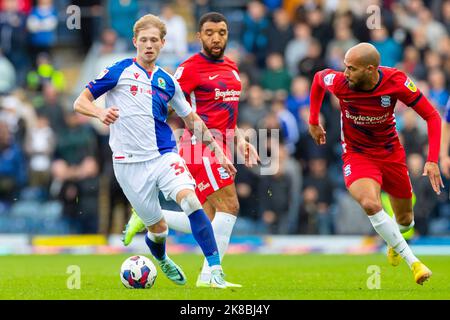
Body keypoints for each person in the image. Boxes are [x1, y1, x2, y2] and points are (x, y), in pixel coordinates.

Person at [73, 14, 236, 289]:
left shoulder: (168, 81)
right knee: (158, 230)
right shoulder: (118, 71)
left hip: (163, 155)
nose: (149, 45)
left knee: (191, 201)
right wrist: (100, 113)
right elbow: (80, 102)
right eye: (144, 40)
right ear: (135, 42)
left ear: (162, 43)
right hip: (128, 165)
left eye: (154, 40)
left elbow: (192, 119)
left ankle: (216, 270)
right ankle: (161, 259)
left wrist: (218, 152)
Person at [122, 12, 260, 288]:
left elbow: (228, 115)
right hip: (199, 147)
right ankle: (210, 277)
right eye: (209, 32)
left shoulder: (232, 68)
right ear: (199, 37)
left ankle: (150, 216)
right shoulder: (190, 68)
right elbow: (167, 102)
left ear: (227, 34)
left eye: (221, 32)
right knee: (230, 207)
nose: (216, 37)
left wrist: (240, 140)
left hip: (221, 145)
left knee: (207, 218)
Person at [308, 42, 442, 285]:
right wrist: (313, 120)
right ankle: (415, 263)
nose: (345, 73)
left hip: (391, 154)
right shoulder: (340, 82)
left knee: (405, 220)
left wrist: (432, 160)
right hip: (357, 154)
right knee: (370, 203)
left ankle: (394, 241)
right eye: (345, 67)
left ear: (370, 69)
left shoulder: (396, 81)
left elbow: (432, 116)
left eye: (351, 68)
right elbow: (318, 79)